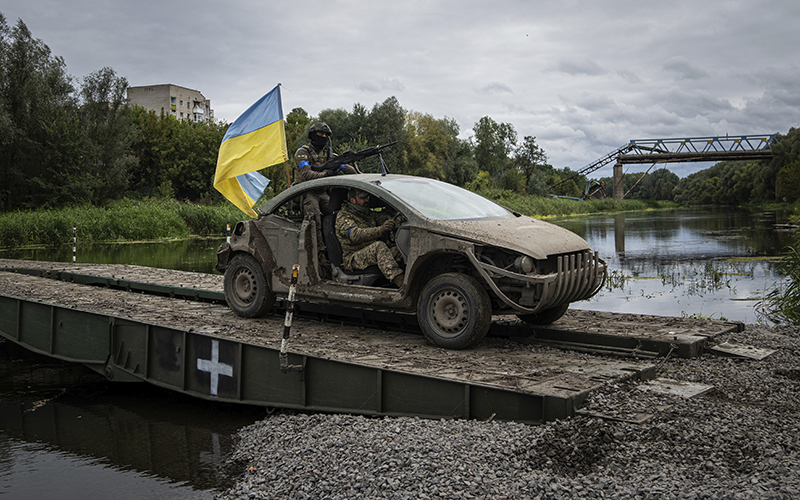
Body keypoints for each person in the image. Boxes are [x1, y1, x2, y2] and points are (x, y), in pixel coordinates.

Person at [294, 122, 356, 263]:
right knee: (314, 218)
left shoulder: (329, 155)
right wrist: (327, 175)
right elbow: (307, 174)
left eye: (325, 135)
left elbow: (347, 169)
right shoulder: (302, 153)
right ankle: (320, 255)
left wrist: (354, 166)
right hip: (306, 192)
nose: (323, 137)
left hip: (322, 193)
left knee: (340, 213)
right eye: (320, 134)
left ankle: (342, 248)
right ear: (312, 135)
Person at [335, 188, 405, 288]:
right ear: (352, 200)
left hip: (371, 252)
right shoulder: (343, 217)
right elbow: (356, 235)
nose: (367, 200)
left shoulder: (366, 213)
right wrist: (380, 230)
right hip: (353, 257)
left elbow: (386, 219)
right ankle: (400, 282)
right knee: (379, 246)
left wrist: (403, 216)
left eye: (367, 197)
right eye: (362, 198)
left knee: (400, 248)